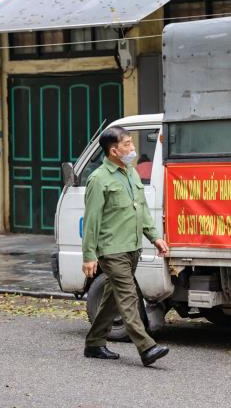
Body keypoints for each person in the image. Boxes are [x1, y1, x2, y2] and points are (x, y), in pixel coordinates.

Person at [81, 126, 170, 367]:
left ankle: (94, 343)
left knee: (112, 297)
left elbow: (140, 209)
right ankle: (146, 347)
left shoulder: (130, 173)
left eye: (132, 143)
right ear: (113, 151)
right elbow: (92, 221)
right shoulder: (99, 179)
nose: (133, 148)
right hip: (111, 250)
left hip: (132, 247)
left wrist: (155, 237)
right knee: (129, 296)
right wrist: (89, 255)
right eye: (127, 144)